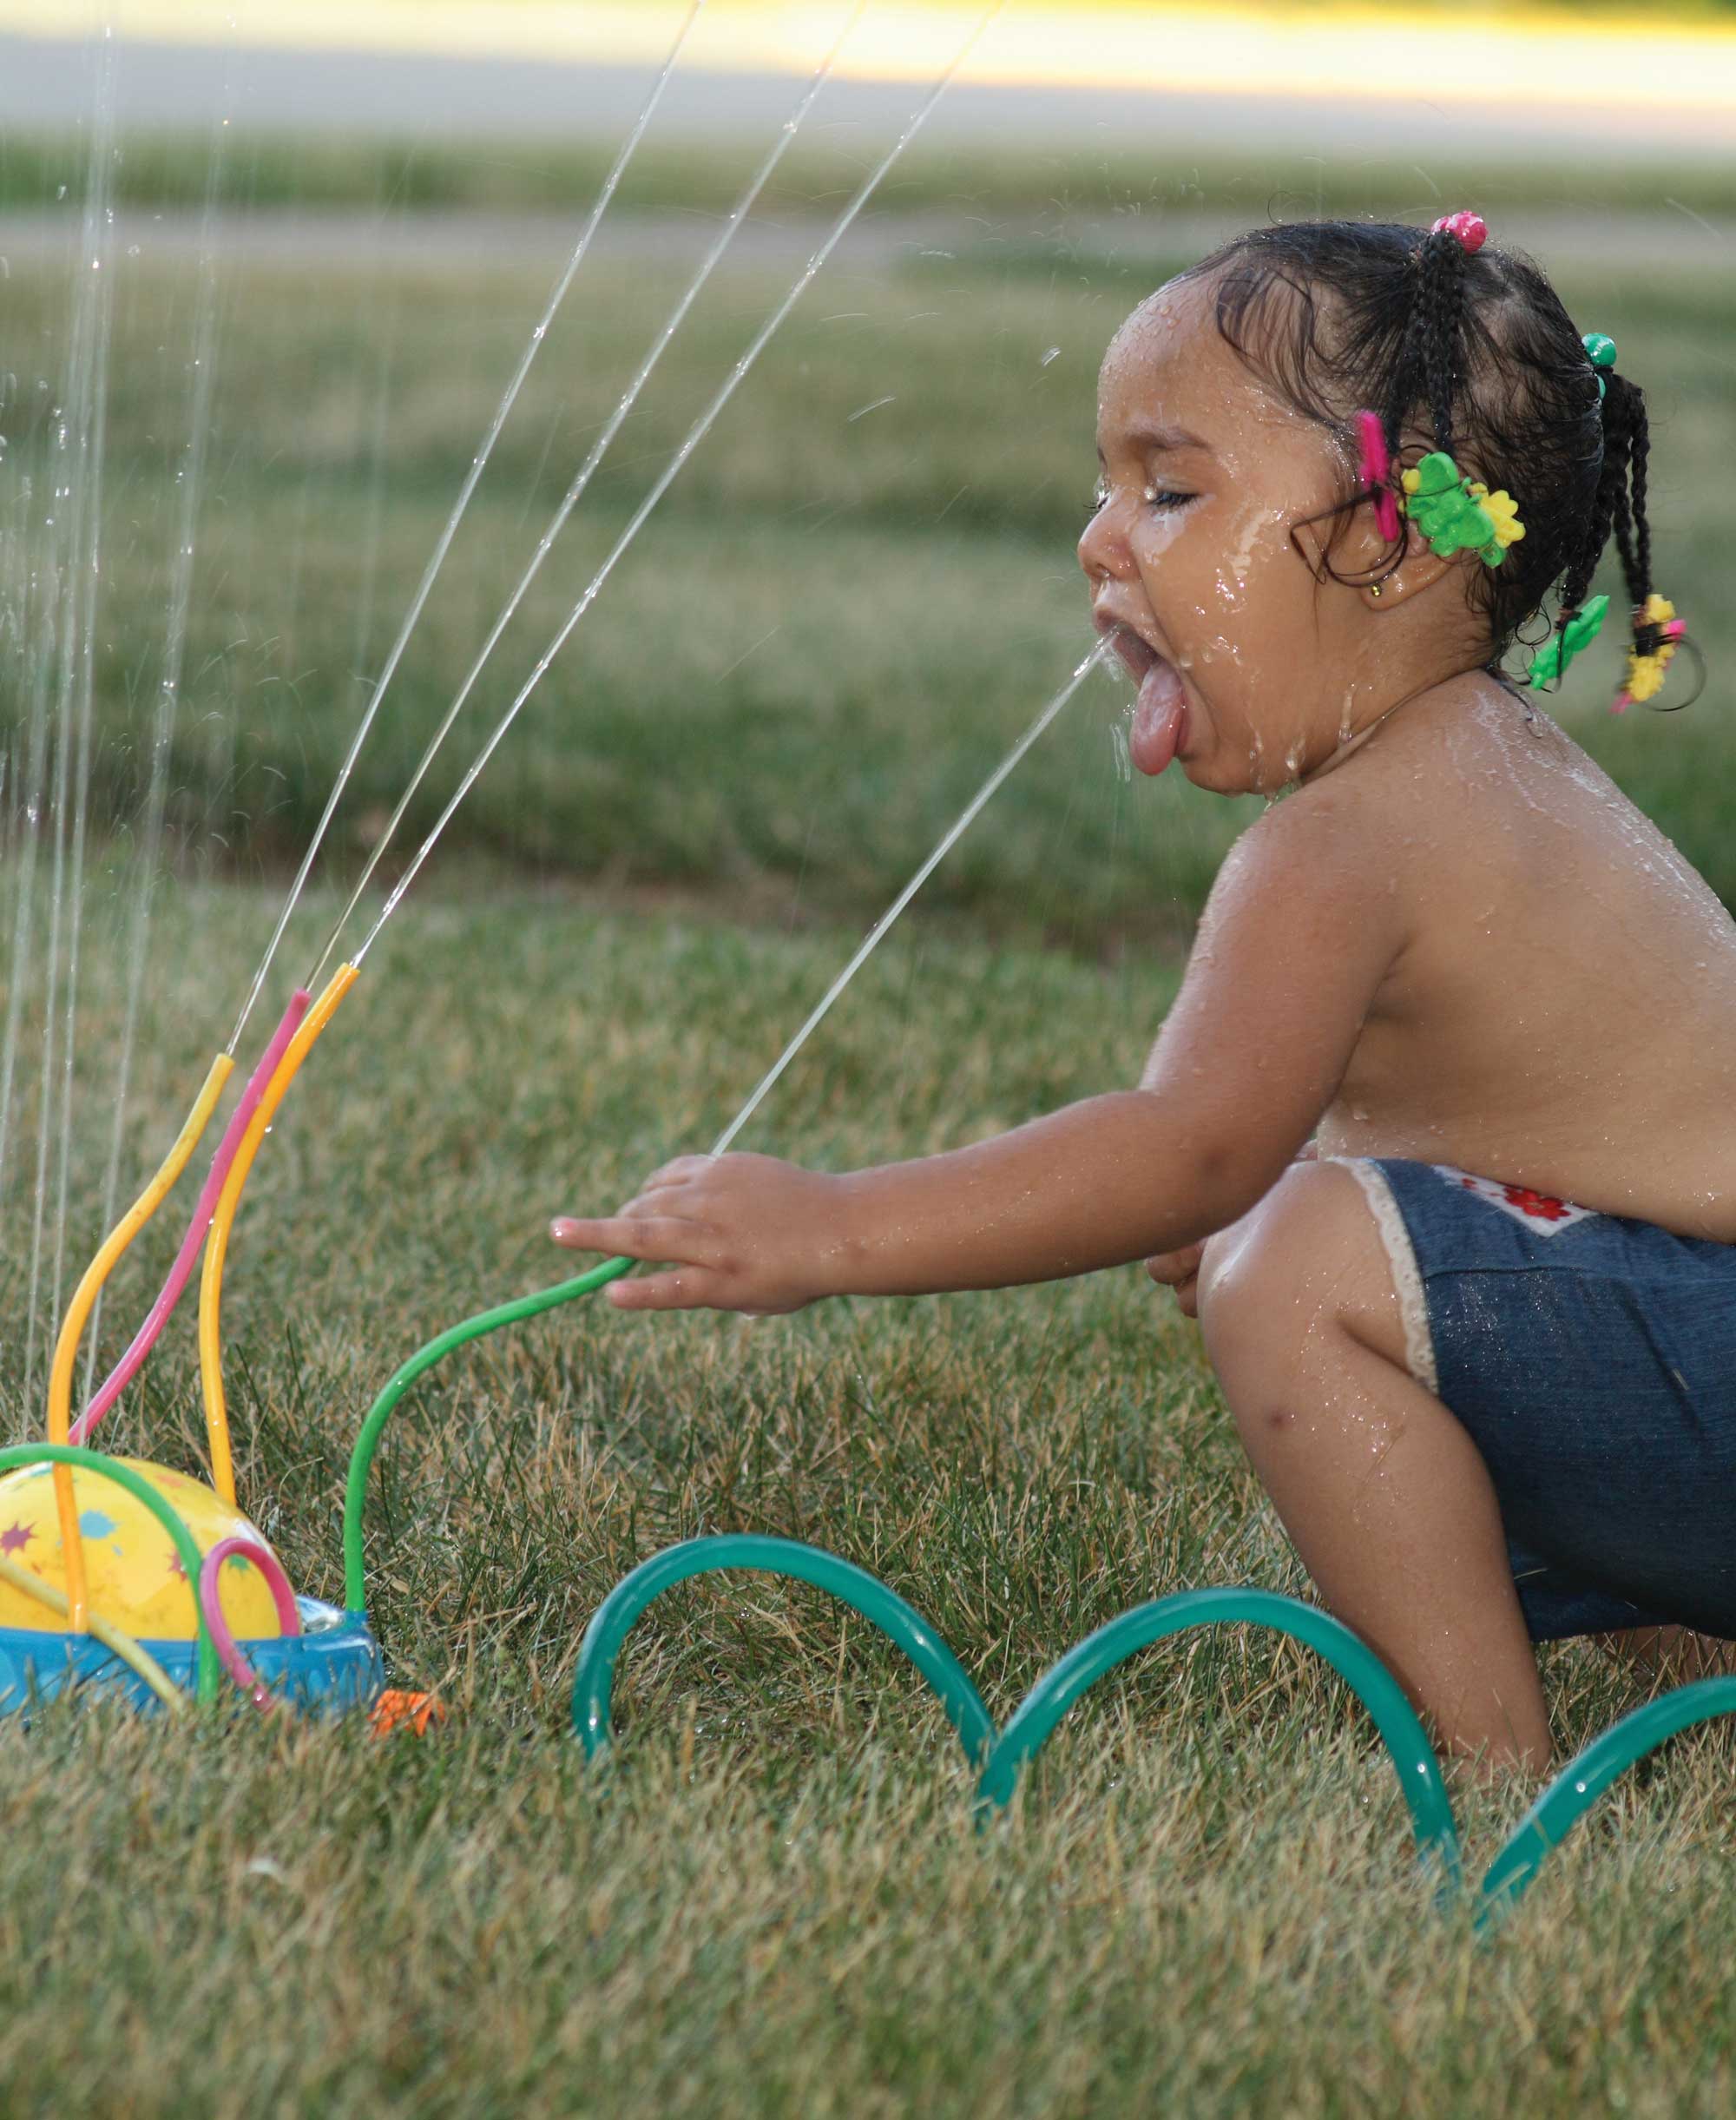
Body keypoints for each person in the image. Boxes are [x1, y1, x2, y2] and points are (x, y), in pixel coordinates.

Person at [551, 212, 1734, 1774]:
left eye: (1171, 490)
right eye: (1107, 489)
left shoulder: (1347, 842)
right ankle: (1665, 1641)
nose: (1103, 540)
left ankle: (1496, 1779)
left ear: (1391, 541)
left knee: (1294, 1257)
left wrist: (827, 1227)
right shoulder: (1492, 772)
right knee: (1311, 1218)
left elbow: (1188, 1144)